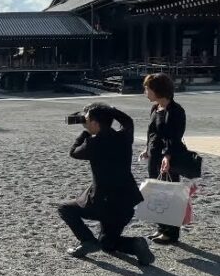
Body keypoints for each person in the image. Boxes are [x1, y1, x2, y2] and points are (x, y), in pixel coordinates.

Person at [59, 103, 155, 266]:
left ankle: (87, 241)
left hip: (102, 203)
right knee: (107, 243)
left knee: (65, 209)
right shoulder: (124, 136)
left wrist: (84, 133)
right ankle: (136, 244)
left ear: (95, 124)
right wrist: (109, 109)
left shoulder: (93, 143)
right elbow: (127, 120)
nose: (85, 121)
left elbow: (73, 152)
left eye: (87, 119)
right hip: (126, 203)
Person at [140, 73, 188, 245]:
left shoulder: (176, 111)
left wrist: (167, 156)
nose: (145, 91)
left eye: (147, 88)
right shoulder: (155, 108)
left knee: (170, 194)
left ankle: (171, 232)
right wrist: (147, 148)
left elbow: (175, 137)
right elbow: (152, 132)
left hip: (169, 157)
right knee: (156, 193)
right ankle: (161, 228)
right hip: (155, 156)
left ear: (158, 90)